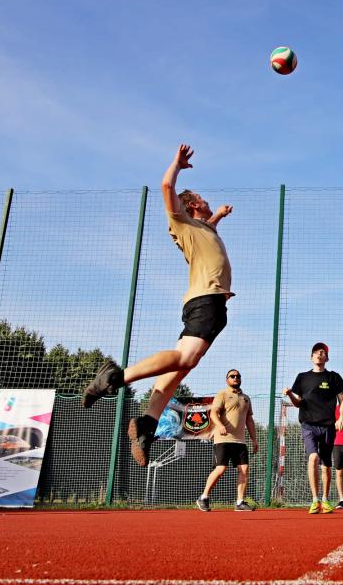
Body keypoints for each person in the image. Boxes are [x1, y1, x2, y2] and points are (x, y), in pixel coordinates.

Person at [82, 144, 235, 467]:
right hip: (205, 299)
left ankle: (147, 424)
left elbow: (210, 230)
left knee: (182, 367)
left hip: (213, 303)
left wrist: (219, 215)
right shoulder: (183, 222)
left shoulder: (203, 228)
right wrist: (176, 165)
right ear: (192, 205)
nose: (207, 201)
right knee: (185, 358)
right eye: (202, 199)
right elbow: (166, 187)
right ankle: (115, 377)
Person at [283, 343, 343, 514]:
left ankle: (325, 499)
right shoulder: (302, 377)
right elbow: (298, 403)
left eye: (323, 352)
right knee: (313, 458)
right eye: (316, 352)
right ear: (311, 357)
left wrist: (341, 416)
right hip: (308, 424)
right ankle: (315, 500)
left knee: (326, 465)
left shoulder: (333, 377)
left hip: (328, 426)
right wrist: (290, 394)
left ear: (327, 358)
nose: (319, 354)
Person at [196, 369, 258, 512]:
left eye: (238, 376)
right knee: (221, 469)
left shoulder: (246, 398)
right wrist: (219, 425)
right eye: (232, 376)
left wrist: (254, 440)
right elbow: (213, 413)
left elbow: (249, 420)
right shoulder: (222, 394)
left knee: (244, 469)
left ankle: (240, 502)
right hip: (222, 439)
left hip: (240, 441)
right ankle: (203, 497)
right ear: (227, 380)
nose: (235, 378)